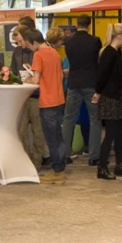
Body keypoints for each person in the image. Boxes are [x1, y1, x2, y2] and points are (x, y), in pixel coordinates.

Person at [25, 29, 66, 184]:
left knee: (51, 139)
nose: (29, 48)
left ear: (34, 42)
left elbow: (35, 80)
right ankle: (60, 169)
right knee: (58, 137)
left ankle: (57, 172)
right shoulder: (55, 53)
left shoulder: (38, 55)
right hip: (59, 99)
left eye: (29, 45)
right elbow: (61, 76)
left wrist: (28, 80)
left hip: (47, 100)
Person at [61, 15, 102, 166]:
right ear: (89, 25)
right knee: (95, 119)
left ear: (77, 24)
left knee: (68, 119)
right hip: (91, 83)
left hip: (73, 83)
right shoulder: (95, 41)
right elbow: (97, 61)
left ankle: (65, 154)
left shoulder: (68, 42)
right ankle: (94, 156)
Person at [93, 24, 122, 180]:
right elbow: (101, 76)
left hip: (117, 95)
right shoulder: (110, 53)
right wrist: (98, 92)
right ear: (120, 35)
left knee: (119, 133)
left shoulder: (116, 52)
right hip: (110, 97)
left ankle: (119, 165)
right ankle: (102, 167)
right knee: (111, 134)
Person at [13, 24, 49, 167]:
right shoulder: (17, 52)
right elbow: (13, 71)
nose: (20, 45)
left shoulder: (40, 52)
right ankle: (25, 161)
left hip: (37, 96)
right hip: (22, 97)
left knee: (38, 132)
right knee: (20, 132)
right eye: (17, 43)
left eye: (22, 42)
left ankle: (36, 163)